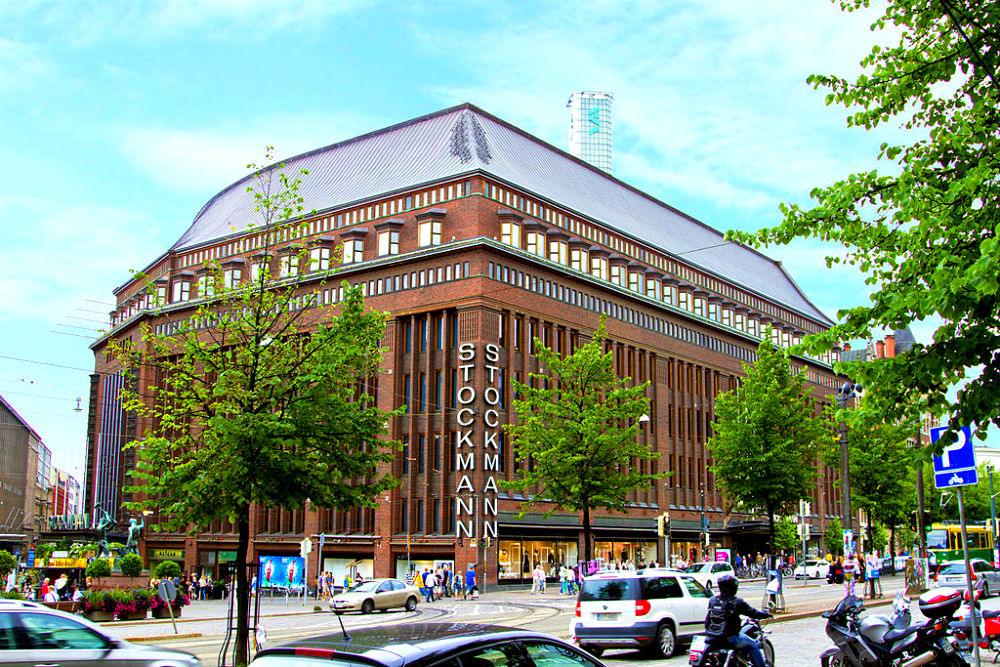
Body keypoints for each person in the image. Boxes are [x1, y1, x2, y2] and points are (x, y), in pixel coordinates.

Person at [704, 574, 772, 667]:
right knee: (753, 645)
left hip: (711, 636)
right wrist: (766, 614)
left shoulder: (713, 600)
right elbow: (753, 612)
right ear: (734, 587)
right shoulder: (737, 601)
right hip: (729, 638)